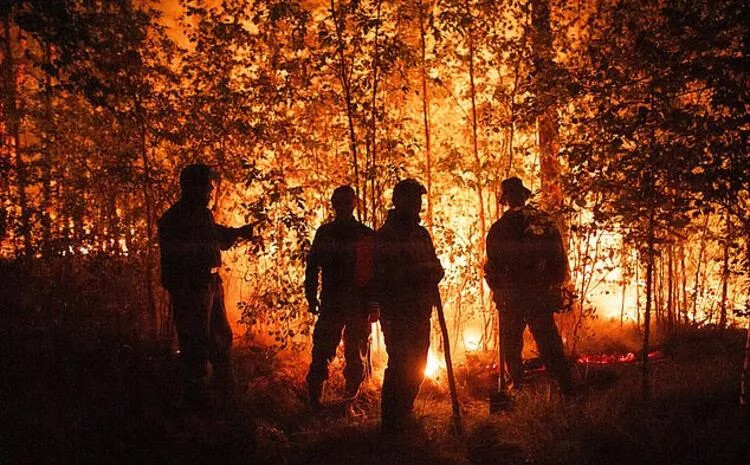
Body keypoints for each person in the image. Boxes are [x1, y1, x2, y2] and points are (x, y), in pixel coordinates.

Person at [158, 163, 254, 393]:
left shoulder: (201, 213)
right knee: (196, 343)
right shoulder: (175, 219)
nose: (211, 190)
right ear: (192, 187)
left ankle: (222, 392)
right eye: (207, 185)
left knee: (220, 337)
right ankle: (197, 399)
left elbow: (214, 234)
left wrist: (238, 232)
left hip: (209, 283)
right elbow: (189, 252)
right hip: (193, 288)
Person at [484, 177, 573, 395]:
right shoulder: (499, 229)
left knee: (548, 342)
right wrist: (498, 289)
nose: (515, 198)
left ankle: (563, 387)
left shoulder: (540, 224)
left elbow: (557, 257)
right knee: (512, 346)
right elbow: (492, 265)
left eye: (517, 193)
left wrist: (554, 285)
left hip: (536, 294)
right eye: (510, 194)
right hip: (513, 296)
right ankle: (518, 387)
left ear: (523, 196)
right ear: (505, 199)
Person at [369, 179, 444, 433]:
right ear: (398, 201)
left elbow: (434, 264)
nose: (418, 205)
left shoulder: (421, 234)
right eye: (412, 199)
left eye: (419, 200)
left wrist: (435, 270)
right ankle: (391, 424)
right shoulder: (385, 237)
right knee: (400, 365)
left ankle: (405, 413)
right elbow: (382, 277)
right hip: (397, 313)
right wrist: (419, 271)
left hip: (421, 310)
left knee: (418, 365)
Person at [305, 186, 375, 406]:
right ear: (335, 204)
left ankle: (345, 404)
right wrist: (310, 294)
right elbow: (313, 265)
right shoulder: (334, 233)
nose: (343, 206)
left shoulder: (362, 234)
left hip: (351, 303)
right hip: (339, 302)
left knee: (351, 356)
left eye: (346, 202)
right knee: (327, 352)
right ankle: (323, 404)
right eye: (340, 202)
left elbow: (373, 272)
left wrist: (374, 303)